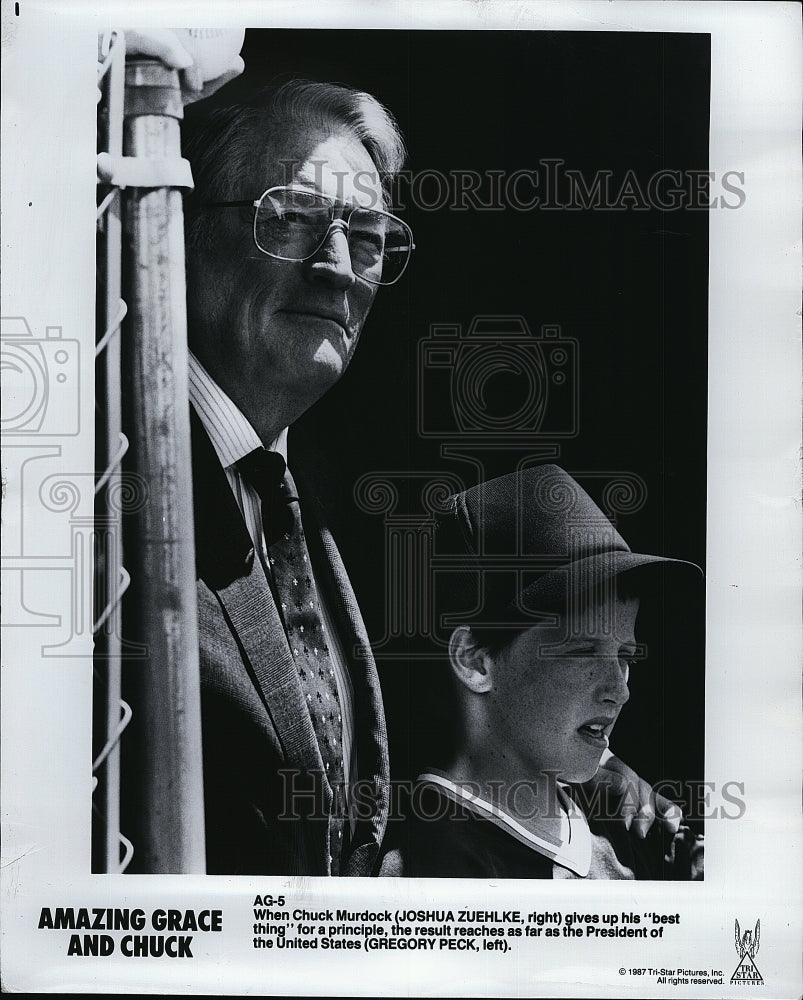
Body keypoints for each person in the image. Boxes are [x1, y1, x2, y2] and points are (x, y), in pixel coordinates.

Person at [118, 32, 688, 875]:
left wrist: (596, 779)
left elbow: (432, 712)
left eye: (367, 236)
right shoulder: (125, 493)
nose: (337, 267)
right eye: (292, 220)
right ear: (185, 231)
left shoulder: (310, 496)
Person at [383, 465, 704, 879]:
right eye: (583, 651)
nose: (619, 691)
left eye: (625, 655)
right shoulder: (431, 872)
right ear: (476, 661)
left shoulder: (630, 823)